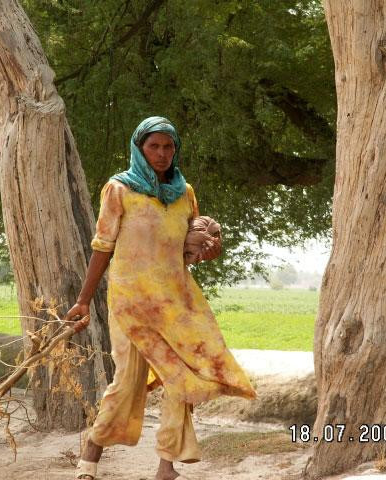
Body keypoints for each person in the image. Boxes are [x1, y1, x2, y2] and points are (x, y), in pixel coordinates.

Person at [67, 116, 256, 480]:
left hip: (176, 301)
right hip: (131, 300)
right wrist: (84, 300)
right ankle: (91, 455)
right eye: (153, 146)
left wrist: (208, 248)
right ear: (139, 148)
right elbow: (102, 248)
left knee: (181, 380)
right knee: (127, 381)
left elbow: (189, 249)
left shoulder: (185, 193)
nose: (162, 153)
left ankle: (166, 467)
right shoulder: (119, 189)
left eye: (168, 147)